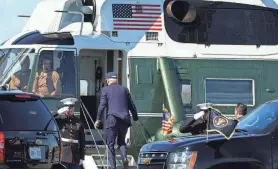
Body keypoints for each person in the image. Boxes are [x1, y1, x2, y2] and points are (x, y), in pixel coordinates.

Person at [94, 72, 138, 169]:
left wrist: (98, 119)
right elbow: (131, 105)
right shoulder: (125, 90)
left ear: (108, 80)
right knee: (121, 142)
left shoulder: (105, 89)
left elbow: (102, 106)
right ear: (117, 80)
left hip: (112, 119)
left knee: (110, 144)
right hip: (125, 119)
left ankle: (113, 167)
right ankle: (124, 158)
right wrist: (135, 117)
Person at [55, 98, 85, 169]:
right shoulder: (59, 120)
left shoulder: (79, 122)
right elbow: (49, 119)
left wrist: (82, 157)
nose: (70, 109)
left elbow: (82, 141)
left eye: (72, 107)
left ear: (74, 108)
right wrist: (57, 113)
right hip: (63, 155)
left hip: (75, 156)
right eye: (68, 107)